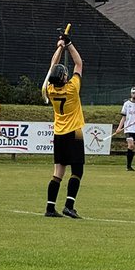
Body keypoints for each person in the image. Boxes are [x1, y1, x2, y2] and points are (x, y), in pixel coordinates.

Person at [42, 35, 85, 219]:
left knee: (58, 172)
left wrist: (59, 47)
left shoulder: (49, 90)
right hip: (74, 132)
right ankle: (69, 206)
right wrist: (69, 44)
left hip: (58, 134)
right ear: (63, 78)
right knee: (77, 170)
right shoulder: (72, 88)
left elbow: (52, 65)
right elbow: (79, 63)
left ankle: (50, 208)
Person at [115, 86, 135, 171]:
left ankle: (129, 166)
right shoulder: (126, 104)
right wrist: (119, 128)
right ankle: (128, 166)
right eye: (133, 93)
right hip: (128, 129)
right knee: (131, 145)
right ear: (131, 94)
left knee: (132, 147)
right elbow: (123, 118)